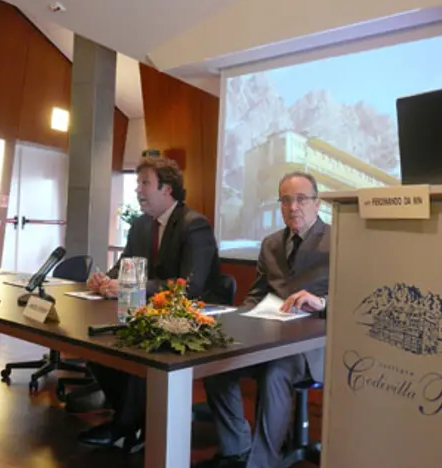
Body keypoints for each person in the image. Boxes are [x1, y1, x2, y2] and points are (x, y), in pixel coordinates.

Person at [78, 156, 224, 451]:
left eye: (145, 183)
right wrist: (104, 280)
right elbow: (124, 266)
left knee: (139, 347)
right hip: (149, 311)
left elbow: (190, 287)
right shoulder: (141, 225)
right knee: (96, 343)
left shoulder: (194, 225)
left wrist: (132, 287)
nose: (138, 190)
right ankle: (130, 419)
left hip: (194, 317)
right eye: (137, 183)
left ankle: (128, 425)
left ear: (166, 189)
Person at [197, 171, 330, 468]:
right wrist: (239, 321)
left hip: (314, 345)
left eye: (301, 199)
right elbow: (256, 295)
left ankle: (261, 464)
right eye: (285, 200)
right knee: (218, 366)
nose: (293, 207)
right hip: (269, 337)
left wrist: (322, 302)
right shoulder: (271, 244)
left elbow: (354, 297)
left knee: (275, 372)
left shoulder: (339, 241)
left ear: (317, 203)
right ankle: (237, 450)